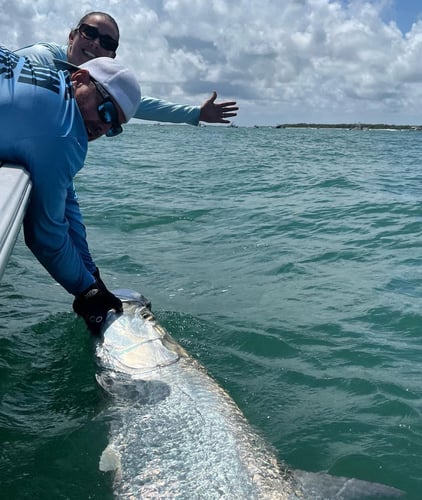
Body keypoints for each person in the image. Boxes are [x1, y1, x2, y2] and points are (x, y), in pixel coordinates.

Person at [0, 45, 141, 334]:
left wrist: (92, 275)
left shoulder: (53, 83)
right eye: (105, 110)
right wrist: (87, 292)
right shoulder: (66, 134)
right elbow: (45, 237)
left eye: (114, 127)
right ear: (80, 78)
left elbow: (65, 197)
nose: (103, 127)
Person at [15, 11, 239, 126]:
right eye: (89, 33)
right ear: (72, 36)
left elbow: (139, 105)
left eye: (107, 43)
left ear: (112, 57)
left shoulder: (95, 85)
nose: (95, 43)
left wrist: (196, 113)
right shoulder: (42, 59)